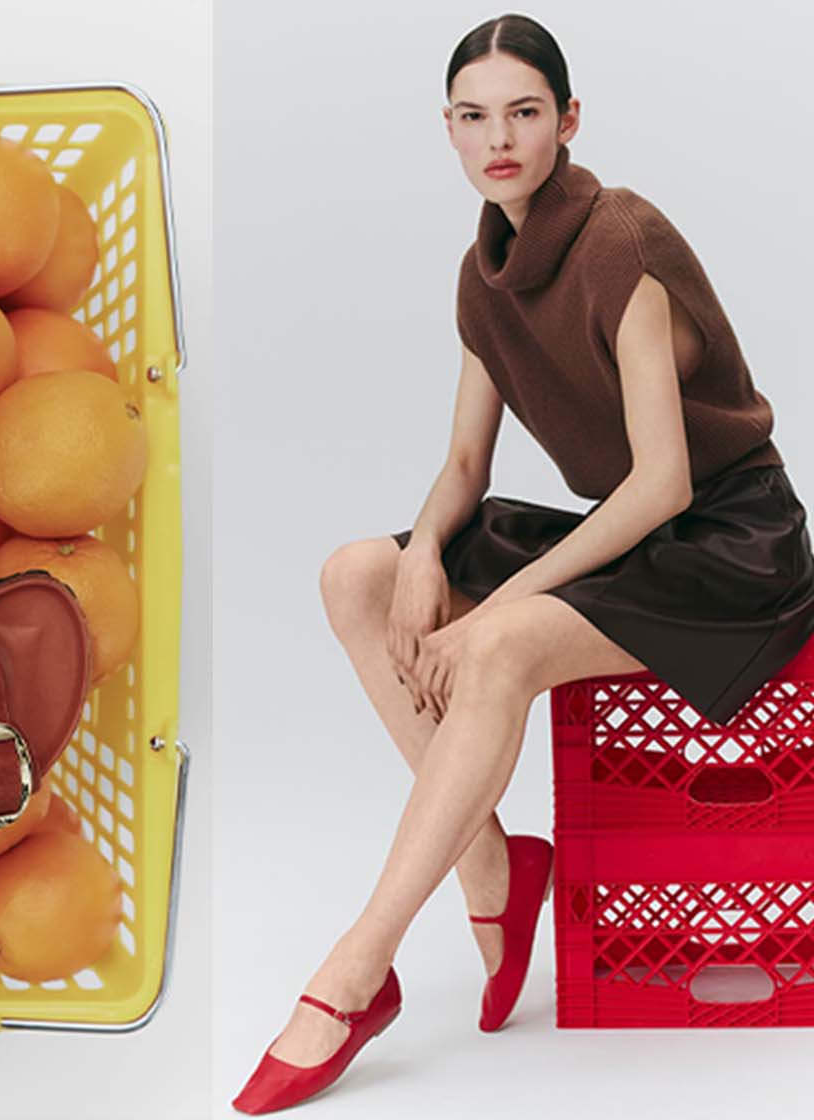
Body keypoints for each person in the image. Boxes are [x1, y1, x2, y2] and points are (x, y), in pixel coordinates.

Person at [232, 14, 814, 1114]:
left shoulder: (619, 243)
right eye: (472, 116)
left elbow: (661, 483)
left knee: (494, 638)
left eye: (522, 112)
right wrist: (418, 556)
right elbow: (463, 457)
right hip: (636, 539)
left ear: (565, 120)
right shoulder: (482, 271)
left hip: (728, 547)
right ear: (446, 132)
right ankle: (494, 869)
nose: (497, 136)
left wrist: (485, 605)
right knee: (351, 573)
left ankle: (355, 972)